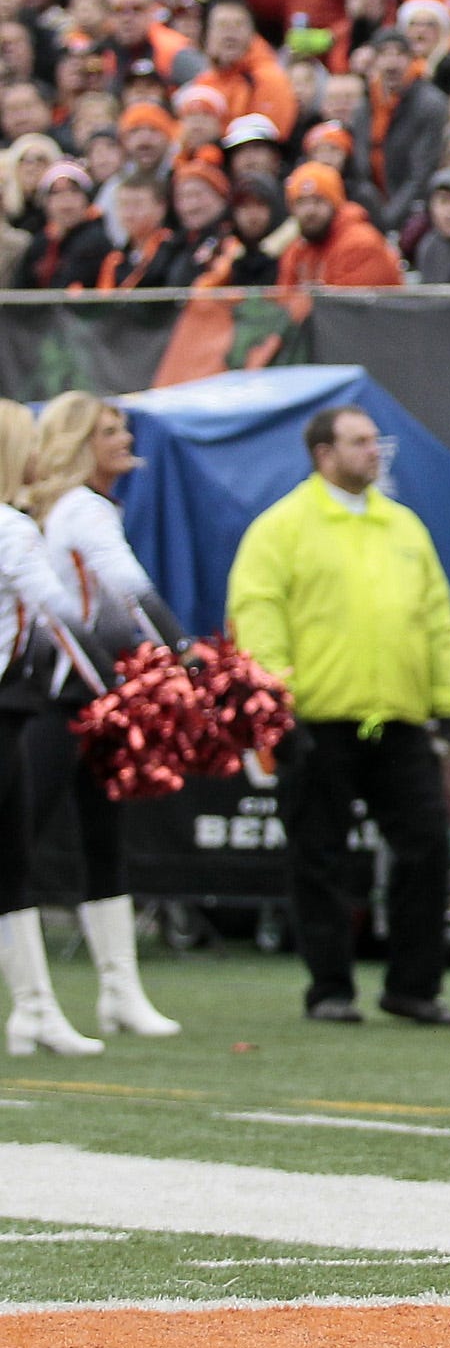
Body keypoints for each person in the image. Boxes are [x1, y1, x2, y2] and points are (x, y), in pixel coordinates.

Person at [227, 404, 450, 1027]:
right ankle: (329, 988)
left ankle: (413, 988)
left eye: (375, 441)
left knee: (425, 848)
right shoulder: (281, 528)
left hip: (399, 718)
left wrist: (448, 707)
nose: (374, 452)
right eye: (359, 442)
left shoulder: (404, 526)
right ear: (323, 453)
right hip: (319, 721)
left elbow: (438, 620)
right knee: (320, 857)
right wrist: (280, 712)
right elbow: (258, 623)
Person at [8, 394, 180, 1046]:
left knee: (104, 835)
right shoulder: (82, 508)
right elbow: (131, 591)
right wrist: (185, 656)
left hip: (89, 693)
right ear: (79, 443)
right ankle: (36, 1002)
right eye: (108, 430)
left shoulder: (83, 507)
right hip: (64, 696)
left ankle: (119, 992)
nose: (123, 438)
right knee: (19, 837)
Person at [0, 400, 96, 1056]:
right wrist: (135, 674)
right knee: (9, 858)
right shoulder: (13, 528)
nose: (40, 454)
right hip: (6, 708)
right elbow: (60, 608)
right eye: (29, 442)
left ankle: (33, 1010)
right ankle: (33, 1011)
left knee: (11, 860)